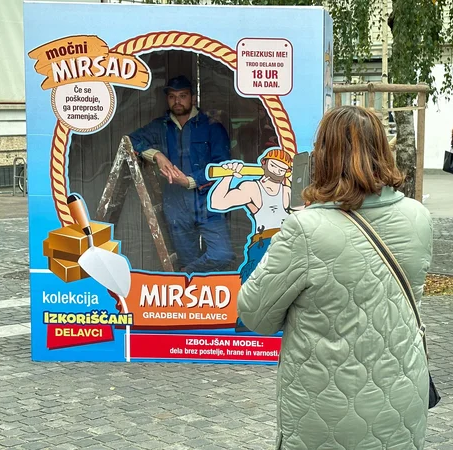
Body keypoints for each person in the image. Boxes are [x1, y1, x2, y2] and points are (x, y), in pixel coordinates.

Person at [237, 106, 433, 449]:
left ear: (323, 158)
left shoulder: (304, 229)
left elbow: (255, 314)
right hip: (402, 396)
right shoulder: (418, 216)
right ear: (382, 151)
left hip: (325, 409)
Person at [128, 75, 234, 274]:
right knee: (188, 255)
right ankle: (194, 293)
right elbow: (131, 140)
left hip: (209, 201)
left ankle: (185, 271)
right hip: (175, 202)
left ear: (193, 98)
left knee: (222, 255)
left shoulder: (212, 127)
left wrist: (190, 181)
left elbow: (223, 166)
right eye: (172, 96)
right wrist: (156, 155)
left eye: (182, 96)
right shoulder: (160, 126)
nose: (177, 101)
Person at [208, 148, 293, 283]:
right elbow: (218, 203)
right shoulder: (252, 188)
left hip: (288, 244)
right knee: (254, 284)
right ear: (264, 164)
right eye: (273, 166)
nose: (276, 172)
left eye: (281, 170)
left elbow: (306, 211)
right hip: (263, 243)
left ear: (286, 172)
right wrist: (228, 176)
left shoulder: (288, 191)